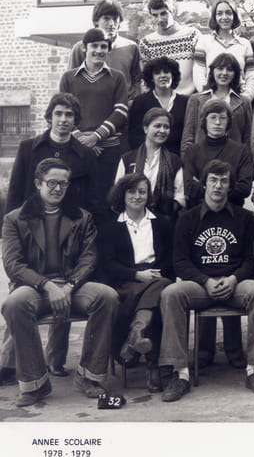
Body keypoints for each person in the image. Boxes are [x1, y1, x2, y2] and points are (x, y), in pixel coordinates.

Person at [1, 158, 119, 407]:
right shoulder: (15, 219)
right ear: (38, 183)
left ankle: (89, 377)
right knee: (14, 304)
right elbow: (13, 265)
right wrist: (48, 285)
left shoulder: (82, 218)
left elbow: (89, 258)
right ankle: (35, 383)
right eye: (52, 183)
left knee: (106, 296)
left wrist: (69, 285)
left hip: (72, 287)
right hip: (34, 288)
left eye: (63, 184)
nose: (58, 188)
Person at [1, 93, 101, 381]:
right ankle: (9, 364)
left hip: (70, 227)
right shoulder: (29, 147)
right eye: (59, 113)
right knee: (22, 295)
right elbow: (15, 193)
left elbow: (93, 198)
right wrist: (11, 235)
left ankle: (55, 360)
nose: (63, 120)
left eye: (69, 115)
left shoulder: (84, 155)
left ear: (76, 120)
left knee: (63, 291)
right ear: (49, 116)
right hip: (30, 231)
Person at [158, 159, 254, 401]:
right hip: (200, 286)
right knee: (171, 294)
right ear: (204, 184)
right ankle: (179, 374)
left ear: (230, 186)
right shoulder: (188, 218)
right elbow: (180, 261)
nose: (218, 186)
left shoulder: (245, 218)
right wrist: (205, 281)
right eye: (213, 180)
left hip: (235, 284)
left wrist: (234, 279)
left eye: (224, 181)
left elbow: (252, 259)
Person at [97, 173, 174, 393]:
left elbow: (171, 257)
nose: (137, 196)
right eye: (132, 191)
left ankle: (136, 335)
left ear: (148, 195)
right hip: (127, 281)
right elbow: (108, 263)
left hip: (157, 276)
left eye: (142, 191)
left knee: (161, 289)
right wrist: (136, 275)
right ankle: (152, 365)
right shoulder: (111, 227)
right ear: (122, 194)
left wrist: (154, 273)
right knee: (155, 297)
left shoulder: (162, 223)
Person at [59, 28, 129, 205]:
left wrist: (96, 137)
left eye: (103, 46)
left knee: (107, 201)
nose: (99, 50)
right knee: (76, 199)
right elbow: (62, 112)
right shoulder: (68, 77)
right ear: (84, 47)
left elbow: (121, 112)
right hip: (76, 148)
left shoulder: (117, 77)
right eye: (94, 46)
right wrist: (82, 140)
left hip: (108, 150)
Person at [68, 0, 142, 103]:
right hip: (92, 106)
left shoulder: (131, 47)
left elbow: (137, 80)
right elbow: (71, 81)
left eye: (115, 19)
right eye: (106, 19)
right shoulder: (81, 48)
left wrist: (133, 101)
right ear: (96, 21)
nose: (111, 23)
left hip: (125, 107)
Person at [116, 107, 186, 219]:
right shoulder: (127, 159)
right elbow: (118, 192)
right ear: (145, 128)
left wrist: (163, 214)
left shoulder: (174, 161)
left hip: (164, 221)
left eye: (166, 127)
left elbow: (179, 196)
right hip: (131, 219)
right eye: (157, 126)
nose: (162, 131)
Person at [183, 99, 254, 208]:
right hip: (199, 210)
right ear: (204, 121)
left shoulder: (241, 150)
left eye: (222, 118)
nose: (217, 122)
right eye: (213, 117)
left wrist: (203, 187)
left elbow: (245, 188)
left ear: (228, 122)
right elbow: (189, 187)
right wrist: (227, 187)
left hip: (232, 210)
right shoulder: (192, 151)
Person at [180, 52, 253, 157]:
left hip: (233, 160)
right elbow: (188, 135)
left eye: (230, 69)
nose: (224, 73)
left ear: (235, 74)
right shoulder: (196, 100)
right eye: (220, 68)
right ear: (212, 71)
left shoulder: (244, 102)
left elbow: (248, 138)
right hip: (201, 160)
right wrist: (187, 162)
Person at [193, 0, 254, 100]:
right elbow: (199, 72)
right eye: (219, 13)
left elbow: (251, 74)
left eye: (228, 13)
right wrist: (207, 96)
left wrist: (247, 97)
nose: (224, 17)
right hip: (210, 100)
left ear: (234, 16)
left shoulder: (244, 44)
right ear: (214, 17)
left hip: (238, 99)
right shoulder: (204, 41)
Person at [138, 0, 200, 96]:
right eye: (155, 15)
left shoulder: (192, 35)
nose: (160, 19)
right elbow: (147, 78)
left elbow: (202, 69)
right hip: (161, 101)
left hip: (190, 98)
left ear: (173, 11)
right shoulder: (146, 44)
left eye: (164, 13)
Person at [128, 56, 189, 155]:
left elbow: (187, 135)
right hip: (147, 157)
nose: (163, 75)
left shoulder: (185, 102)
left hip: (177, 157)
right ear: (151, 78)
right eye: (157, 73)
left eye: (166, 72)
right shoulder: (140, 102)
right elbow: (134, 136)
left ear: (173, 75)